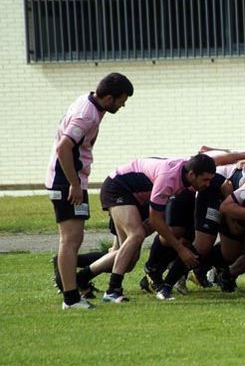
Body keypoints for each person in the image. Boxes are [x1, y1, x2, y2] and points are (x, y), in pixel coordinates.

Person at [46, 73, 133, 310]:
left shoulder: (91, 104)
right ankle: (71, 298)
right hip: (65, 182)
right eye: (121, 100)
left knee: (75, 239)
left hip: (73, 180)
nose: (122, 105)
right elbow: (64, 147)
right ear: (107, 97)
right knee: (70, 239)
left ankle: (75, 292)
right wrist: (73, 184)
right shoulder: (86, 115)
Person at [97, 153, 217, 302]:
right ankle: (112, 290)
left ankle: (81, 277)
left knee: (130, 260)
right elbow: (155, 220)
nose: (208, 184)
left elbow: (224, 157)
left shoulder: (189, 168)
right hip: (117, 187)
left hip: (134, 195)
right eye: (205, 180)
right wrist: (181, 250)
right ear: (192, 174)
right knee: (136, 235)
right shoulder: (168, 179)